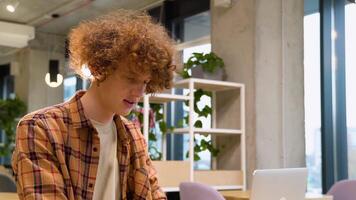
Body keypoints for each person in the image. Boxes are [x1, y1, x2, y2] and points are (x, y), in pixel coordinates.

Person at [12, 9, 176, 200]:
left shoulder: (133, 137)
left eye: (145, 82)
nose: (139, 92)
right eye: (130, 78)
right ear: (97, 68)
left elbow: (154, 194)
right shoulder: (40, 128)